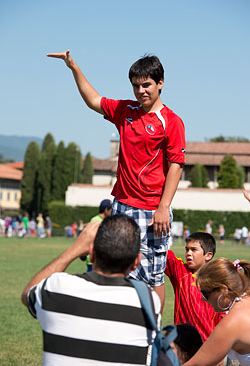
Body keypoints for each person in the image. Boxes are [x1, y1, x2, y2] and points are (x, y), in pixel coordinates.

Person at [47, 50, 185, 311]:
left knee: (153, 276)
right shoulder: (126, 110)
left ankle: (151, 333)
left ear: (160, 83)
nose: (141, 91)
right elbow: (94, 100)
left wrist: (164, 206)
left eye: (146, 85)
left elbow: (176, 164)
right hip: (121, 205)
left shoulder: (172, 122)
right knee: (118, 270)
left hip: (153, 210)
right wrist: (73, 66)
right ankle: (121, 322)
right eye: (136, 86)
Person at [21, 214, 161, 366]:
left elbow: (27, 294)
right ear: (136, 262)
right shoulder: (149, 301)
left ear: (92, 254)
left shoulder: (57, 288)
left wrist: (75, 249)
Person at [184, 258, 250, 366]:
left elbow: (195, 364)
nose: (204, 299)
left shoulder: (232, 323)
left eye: (205, 293)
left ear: (224, 290)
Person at [165, 232, 225, 342]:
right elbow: (163, 253)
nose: (188, 253)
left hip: (207, 345)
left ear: (208, 255)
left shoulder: (217, 282)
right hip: (181, 344)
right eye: (187, 249)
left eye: (194, 250)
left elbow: (223, 318)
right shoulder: (180, 272)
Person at [85, 199, 112, 271]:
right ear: (106, 210)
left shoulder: (101, 220)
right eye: (111, 210)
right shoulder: (96, 221)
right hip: (94, 259)